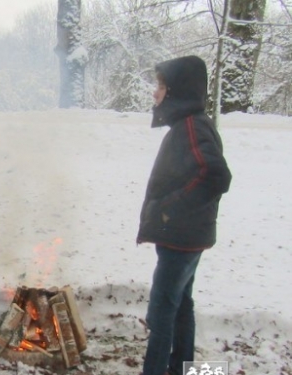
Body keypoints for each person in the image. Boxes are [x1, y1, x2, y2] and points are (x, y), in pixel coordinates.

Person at [136, 55, 232, 375]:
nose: (155, 93)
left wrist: (168, 211)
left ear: (177, 90)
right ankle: (181, 369)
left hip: (180, 239)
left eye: (161, 86)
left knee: (161, 312)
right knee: (180, 307)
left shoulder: (191, 126)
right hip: (186, 238)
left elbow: (216, 176)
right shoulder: (191, 124)